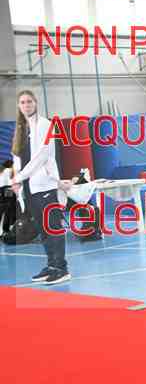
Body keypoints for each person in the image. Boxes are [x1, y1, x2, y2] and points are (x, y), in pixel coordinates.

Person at [10, 90, 70, 284]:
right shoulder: (21, 129)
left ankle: (61, 268)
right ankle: (52, 265)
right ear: (19, 106)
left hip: (45, 185)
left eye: (29, 101)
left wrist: (20, 176)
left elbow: (41, 156)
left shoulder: (45, 125)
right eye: (22, 102)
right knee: (43, 229)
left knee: (52, 227)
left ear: (35, 103)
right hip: (29, 188)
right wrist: (16, 181)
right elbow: (17, 158)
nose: (26, 105)